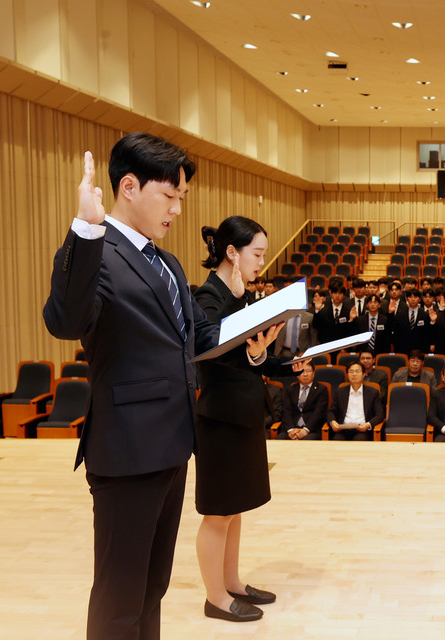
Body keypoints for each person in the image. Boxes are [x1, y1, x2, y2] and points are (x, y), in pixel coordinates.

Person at [42, 134, 280, 638]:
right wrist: (85, 229)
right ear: (129, 187)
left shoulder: (167, 263)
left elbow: (202, 336)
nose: (177, 209)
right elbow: (65, 320)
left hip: (172, 446)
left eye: (181, 198)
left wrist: (254, 341)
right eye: (169, 195)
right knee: (119, 597)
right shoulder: (98, 250)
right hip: (128, 449)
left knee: (152, 589)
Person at [194, 217, 291, 622]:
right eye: (257, 254)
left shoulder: (240, 295)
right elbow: (213, 349)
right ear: (232, 253)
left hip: (243, 413)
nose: (261, 263)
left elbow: (250, 354)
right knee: (218, 512)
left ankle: (232, 582)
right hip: (220, 418)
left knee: (234, 510)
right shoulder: (208, 296)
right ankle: (215, 598)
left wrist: (286, 362)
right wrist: (238, 306)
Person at [327, 361, 384, 441]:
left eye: (357, 371)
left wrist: (368, 424)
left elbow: (379, 415)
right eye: (351, 371)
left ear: (364, 374)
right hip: (343, 429)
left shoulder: (372, 392)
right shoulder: (340, 392)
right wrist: (333, 422)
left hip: (362, 429)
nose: (354, 374)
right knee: (337, 440)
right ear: (347, 375)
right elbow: (331, 412)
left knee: (359, 440)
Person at [279, 361, 329, 440]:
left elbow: (319, 413)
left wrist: (306, 430)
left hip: (312, 430)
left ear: (313, 373)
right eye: (302, 371)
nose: (305, 374)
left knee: (307, 441)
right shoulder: (291, 389)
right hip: (292, 429)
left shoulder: (321, 389)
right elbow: (286, 412)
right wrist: (291, 430)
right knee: (279, 439)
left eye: (308, 371)